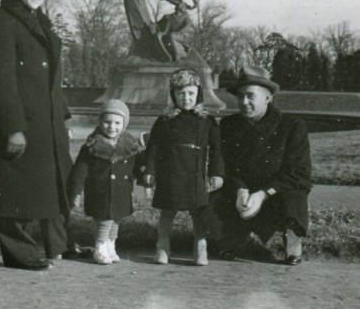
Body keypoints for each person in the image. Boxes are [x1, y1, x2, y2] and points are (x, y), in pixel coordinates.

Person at [0, 0, 73, 271]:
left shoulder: (40, 23)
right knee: (15, 190)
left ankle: (59, 246)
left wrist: (62, 117)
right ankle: (21, 253)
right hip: (21, 124)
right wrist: (13, 127)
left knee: (49, 186)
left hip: (47, 123)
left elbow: (51, 78)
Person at [209, 66, 312, 265]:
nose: (243, 102)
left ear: (267, 98)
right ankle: (232, 239)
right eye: (240, 96)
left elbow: (298, 173)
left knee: (295, 195)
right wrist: (240, 189)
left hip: (276, 192)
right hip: (241, 192)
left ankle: (293, 244)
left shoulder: (292, 126)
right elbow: (224, 165)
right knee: (211, 198)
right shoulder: (228, 125)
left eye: (250, 96)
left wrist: (263, 194)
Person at [143, 69, 224, 266]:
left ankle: (200, 247)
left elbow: (217, 151)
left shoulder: (207, 121)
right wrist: (150, 170)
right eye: (180, 93)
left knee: (198, 212)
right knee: (167, 212)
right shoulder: (164, 121)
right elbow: (153, 148)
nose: (186, 98)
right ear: (173, 95)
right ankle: (163, 246)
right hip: (171, 173)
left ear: (198, 94)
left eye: (190, 93)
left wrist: (217, 173)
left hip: (196, 174)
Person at [67, 100, 144, 265]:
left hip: (121, 190)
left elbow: (136, 166)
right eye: (107, 122)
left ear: (124, 124)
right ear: (100, 122)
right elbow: (80, 170)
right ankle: (100, 246)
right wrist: (76, 190)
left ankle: (110, 245)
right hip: (100, 190)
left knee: (116, 218)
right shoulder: (92, 145)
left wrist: (145, 178)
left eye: (117, 123)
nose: (112, 127)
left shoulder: (129, 145)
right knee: (105, 220)